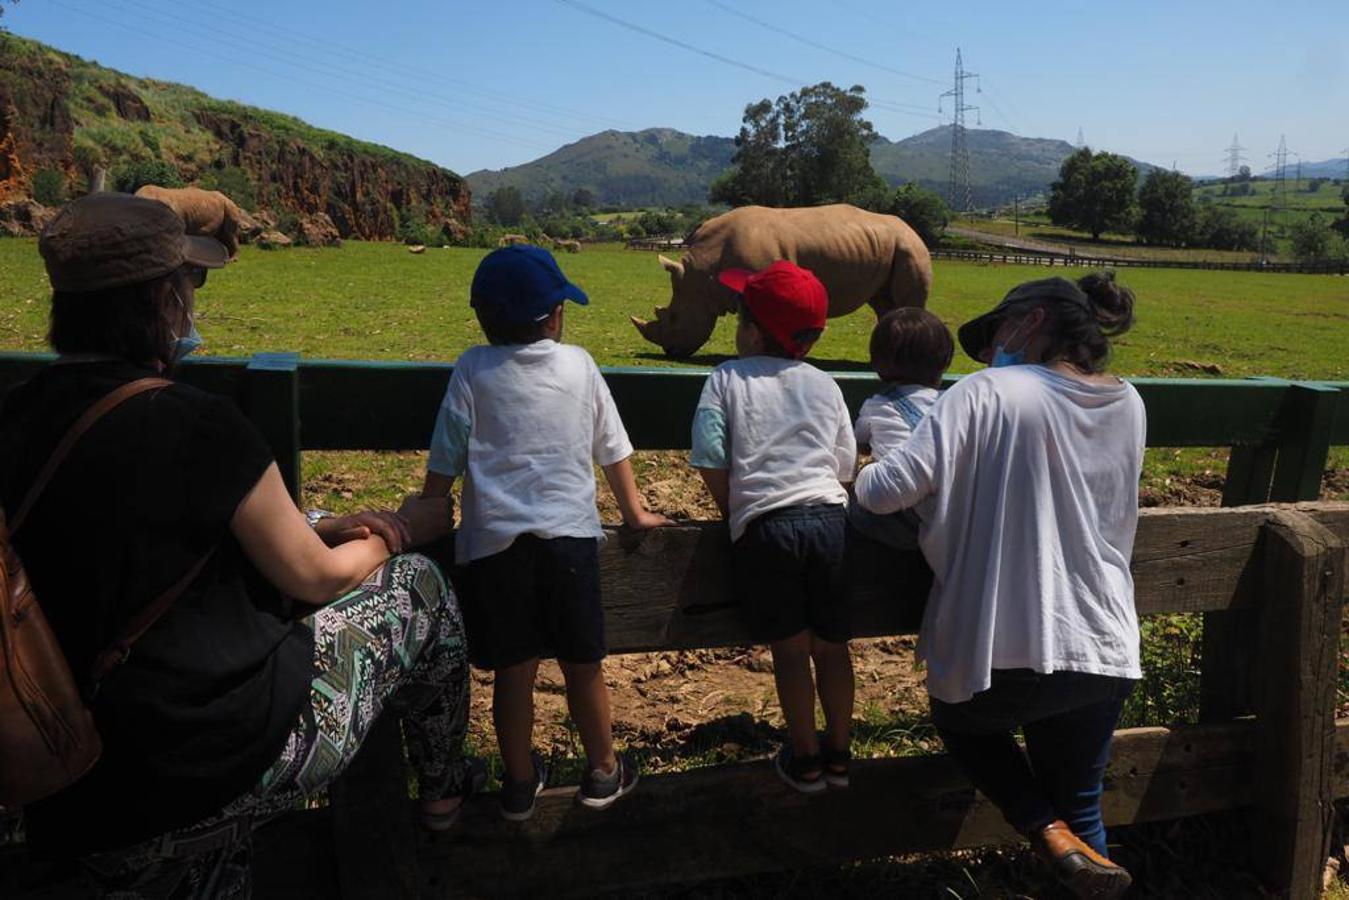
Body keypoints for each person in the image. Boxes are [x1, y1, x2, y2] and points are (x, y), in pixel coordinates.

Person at [0, 193, 476, 897]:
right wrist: (398, 533)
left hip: (64, 773)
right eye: (192, 284)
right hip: (199, 763)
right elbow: (316, 578)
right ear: (166, 301)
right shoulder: (195, 423)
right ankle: (446, 793)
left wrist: (304, 523)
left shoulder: (13, 413)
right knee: (418, 592)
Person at [854, 273, 1143, 899]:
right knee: (1083, 803)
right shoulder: (1129, 400)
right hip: (1106, 643)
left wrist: (862, 468)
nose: (987, 355)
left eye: (995, 336)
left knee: (960, 722)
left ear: (1030, 322)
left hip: (1006, 648)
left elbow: (886, 493)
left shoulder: (987, 391)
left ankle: (1042, 830)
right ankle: (1069, 845)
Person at [413, 244, 668, 822]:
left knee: (514, 672)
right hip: (570, 542)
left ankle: (520, 783)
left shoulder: (472, 368)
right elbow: (613, 447)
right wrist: (634, 513)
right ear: (554, 316)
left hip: (494, 549)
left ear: (484, 317)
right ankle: (603, 769)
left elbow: (447, 453)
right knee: (584, 666)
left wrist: (426, 509)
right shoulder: (580, 364)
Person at [690, 260, 858, 793]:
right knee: (833, 647)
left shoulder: (726, 378)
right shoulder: (825, 383)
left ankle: (805, 757)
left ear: (754, 330)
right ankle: (840, 753)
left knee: (790, 651)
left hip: (767, 528)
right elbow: (845, 461)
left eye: (740, 318)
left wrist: (733, 508)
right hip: (831, 522)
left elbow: (710, 454)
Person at [848, 307, 953, 550]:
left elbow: (858, 441)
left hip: (901, 519)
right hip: (947, 516)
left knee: (855, 500)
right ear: (945, 361)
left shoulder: (878, 405)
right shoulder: (952, 402)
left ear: (878, 363)